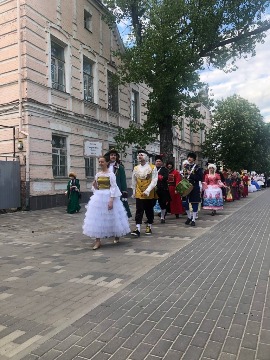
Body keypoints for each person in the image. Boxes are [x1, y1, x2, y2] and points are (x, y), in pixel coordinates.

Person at [82, 156, 130, 250]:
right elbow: (96, 188)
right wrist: (94, 186)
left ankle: (116, 235)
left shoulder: (111, 174)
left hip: (109, 195)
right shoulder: (98, 174)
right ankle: (97, 240)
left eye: (102, 162)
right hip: (99, 196)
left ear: (106, 163)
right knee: (98, 218)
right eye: (99, 162)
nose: (100, 163)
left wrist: (111, 199)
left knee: (112, 216)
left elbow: (113, 187)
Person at [130, 149, 158, 237]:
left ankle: (149, 226)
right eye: (138, 155)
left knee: (149, 209)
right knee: (139, 210)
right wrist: (134, 191)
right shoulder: (136, 168)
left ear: (146, 157)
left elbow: (154, 180)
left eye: (141, 155)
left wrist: (148, 190)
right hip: (139, 191)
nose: (139, 156)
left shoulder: (152, 167)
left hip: (148, 192)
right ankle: (137, 228)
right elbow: (134, 180)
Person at [105, 148, 132, 218]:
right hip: (107, 190)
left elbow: (123, 180)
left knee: (117, 207)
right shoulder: (106, 166)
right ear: (109, 156)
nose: (113, 156)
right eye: (111, 155)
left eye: (114, 155)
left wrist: (124, 192)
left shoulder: (120, 167)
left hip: (117, 190)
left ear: (116, 157)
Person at [182, 152, 203, 226]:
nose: (189, 158)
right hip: (186, 186)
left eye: (191, 157)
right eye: (188, 157)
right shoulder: (185, 167)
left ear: (194, 159)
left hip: (194, 187)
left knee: (194, 202)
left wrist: (191, 174)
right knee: (185, 203)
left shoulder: (198, 168)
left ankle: (193, 219)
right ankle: (189, 217)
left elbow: (200, 178)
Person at [155, 155, 170, 223]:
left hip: (162, 189)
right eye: (157, 161)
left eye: (159, 161)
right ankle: (150, 218)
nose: (158, 162)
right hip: (153, 189)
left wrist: (160, 177)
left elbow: (166, 177)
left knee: (162, 203)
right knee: (150, 203)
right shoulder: (152, 169)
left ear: (162, 162)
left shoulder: (164, 169)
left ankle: (162, 217)